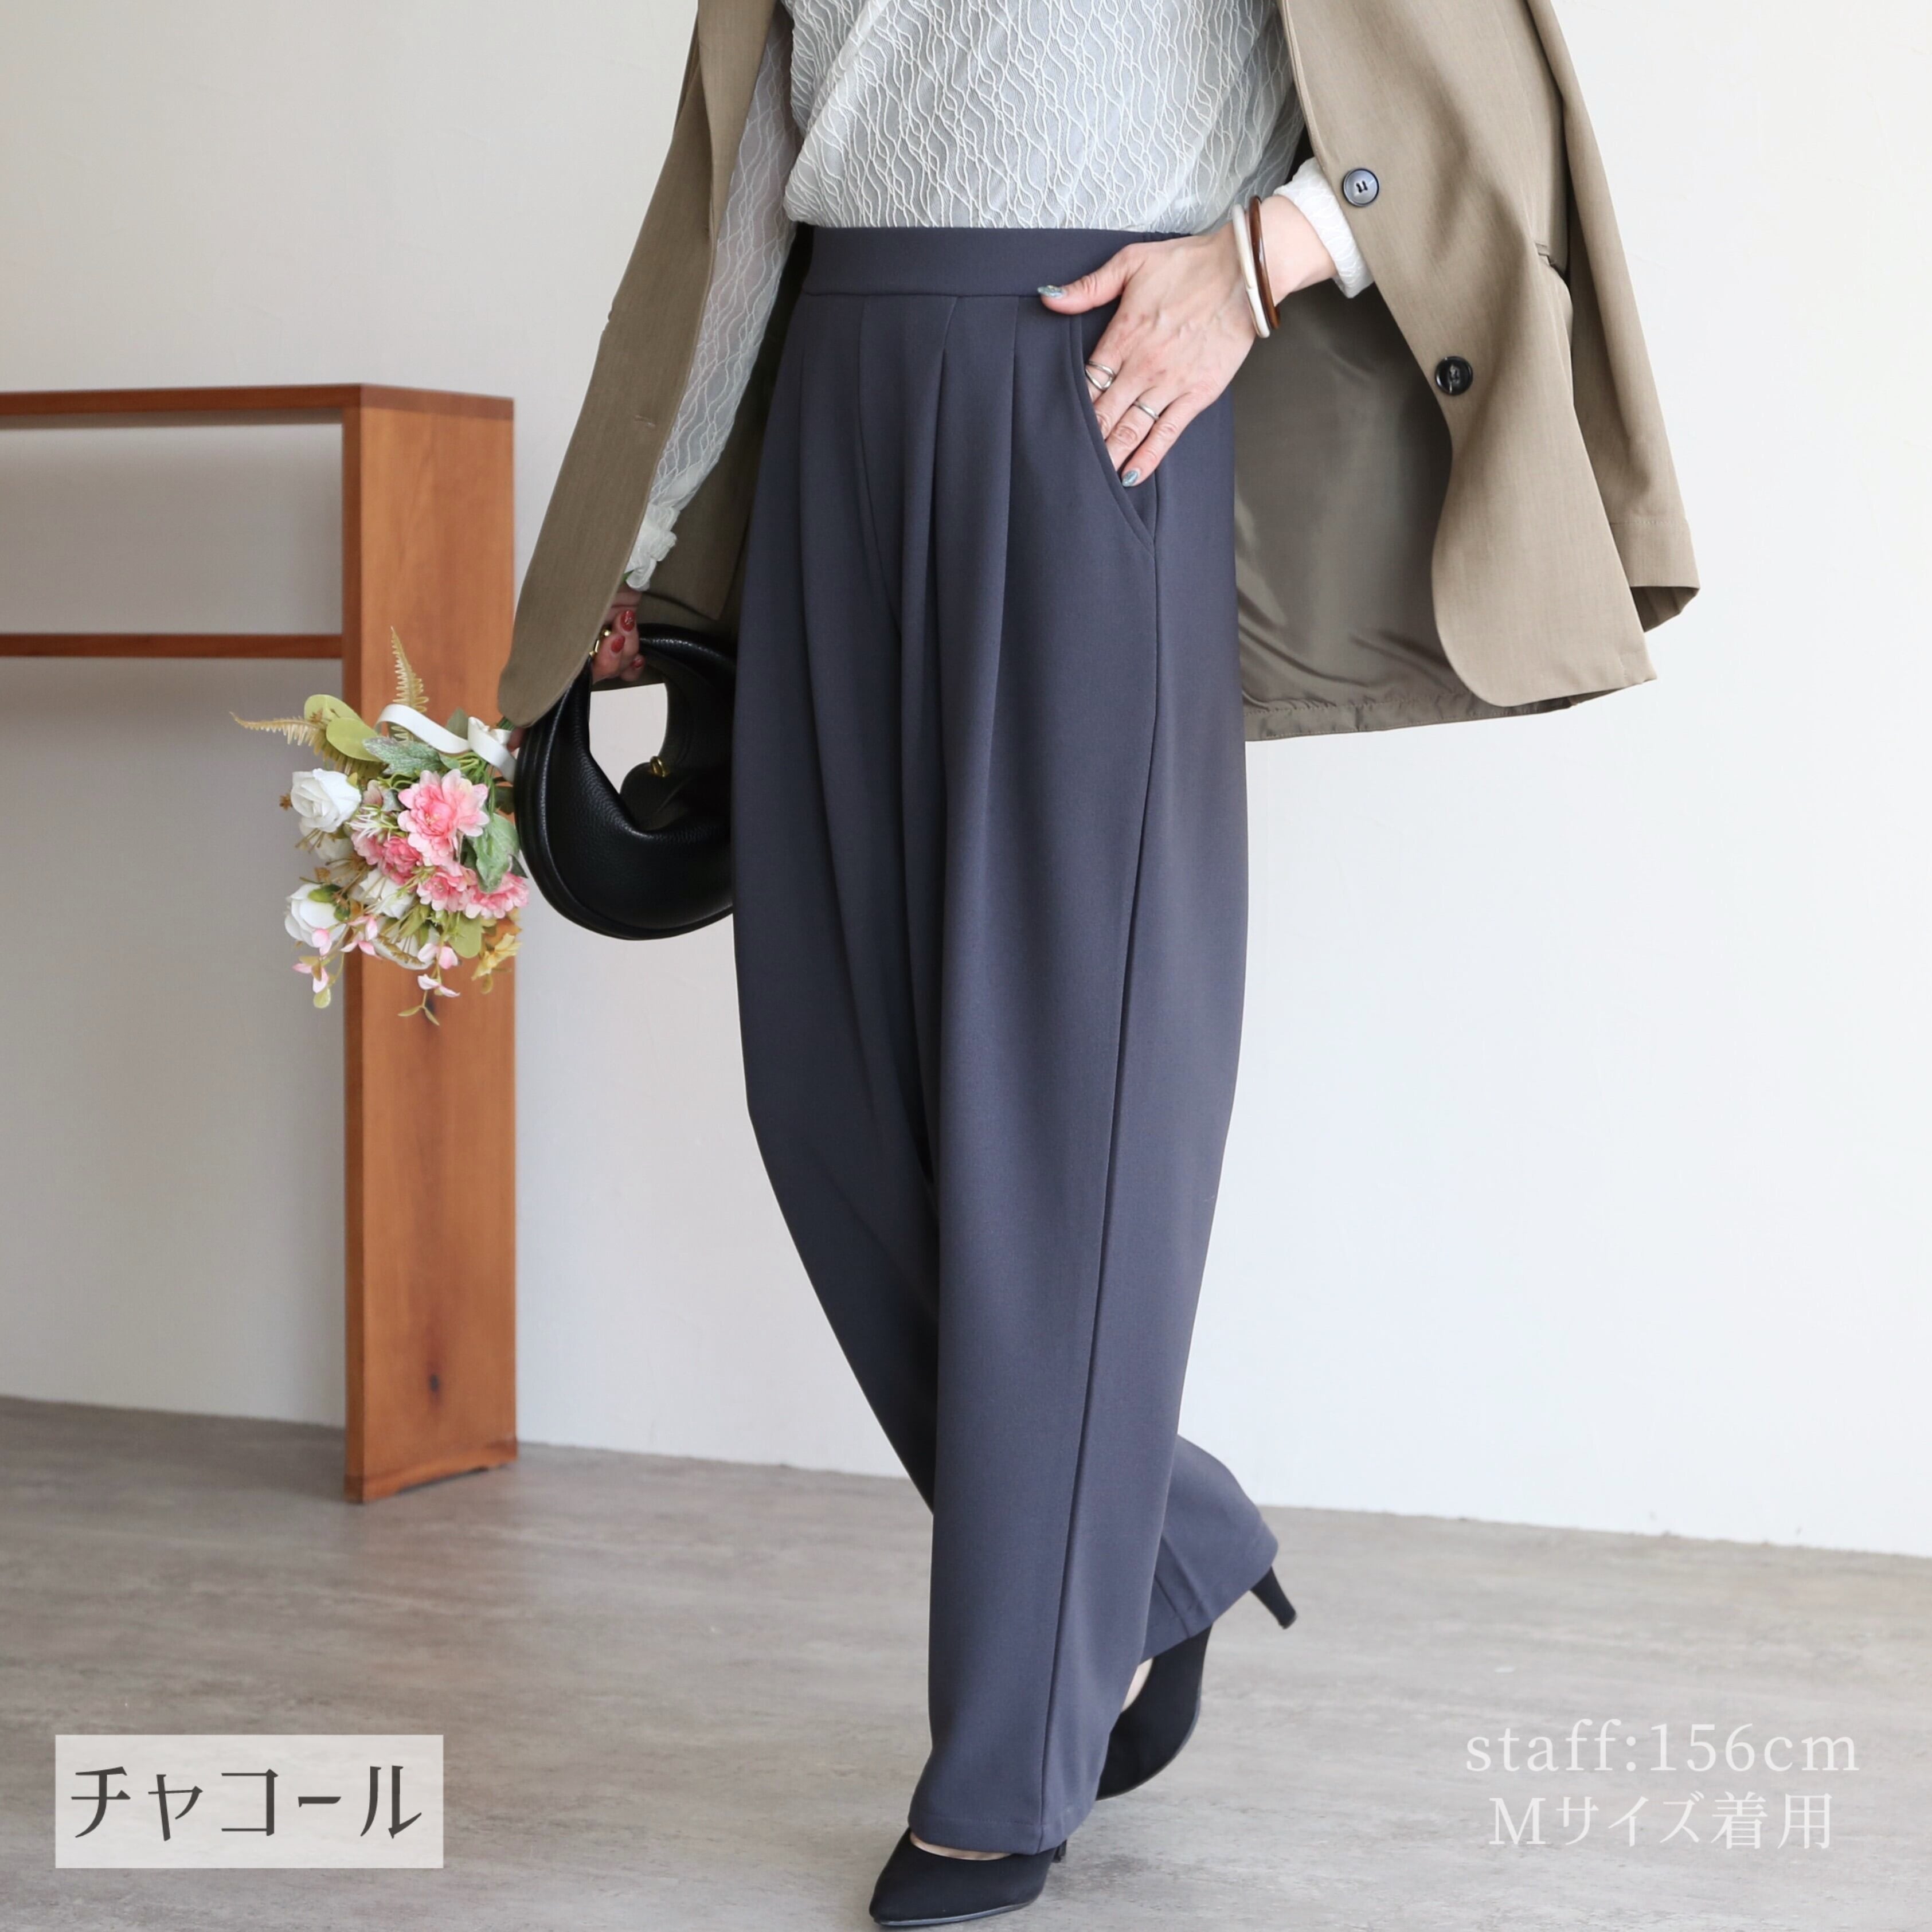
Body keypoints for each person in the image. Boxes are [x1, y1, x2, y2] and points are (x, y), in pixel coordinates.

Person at [499, 2, 1696, 1922]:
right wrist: (643, 526)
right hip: (834, 395)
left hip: (1096, 385)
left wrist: (1261, 258)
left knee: (1066, 1098)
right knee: (822, 1084)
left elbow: (1479, 89)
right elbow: (757, 157)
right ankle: (1153, 1542)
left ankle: (1004, 1771)